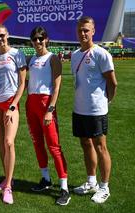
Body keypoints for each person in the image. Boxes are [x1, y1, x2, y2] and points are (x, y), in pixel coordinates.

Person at [71, 16, 117, 204]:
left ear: (93, 31)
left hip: (97, 110)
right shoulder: (74, 55)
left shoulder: (101, 54)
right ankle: (91, 182)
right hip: (79, 108)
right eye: (81, 30)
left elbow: (112, 82)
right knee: (85, 144)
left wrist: (107, 101)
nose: (83, 33)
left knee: (100, 146)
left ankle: (104, 187)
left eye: (86, 30)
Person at [26, 26, 70, 205]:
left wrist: (50, 109)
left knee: (53, 146)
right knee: (37, 142)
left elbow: (57, 86)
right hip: (31, 104)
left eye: (41, 38)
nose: (38, 42)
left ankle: (64, 187)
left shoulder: (52, 59)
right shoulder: (31, 59)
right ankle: (45, 179)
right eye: (35, 39)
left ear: (47, 39)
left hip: (46, 105)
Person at [0, 25, 27, 204]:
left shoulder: (17, 54)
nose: (0, 38)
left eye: (2, 35)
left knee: (9, 142)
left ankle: (8, 187)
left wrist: (13, 105)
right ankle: (6, 178)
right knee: (1, 142)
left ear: (8, 35)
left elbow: (22, 83)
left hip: (10, 103)